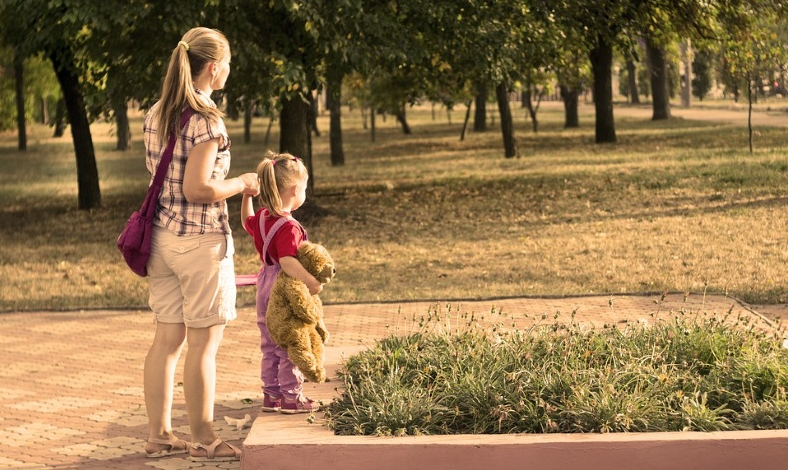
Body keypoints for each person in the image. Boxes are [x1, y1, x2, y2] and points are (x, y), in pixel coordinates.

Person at [142, 27, 259, 462]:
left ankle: (158, 435)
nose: (229, 70)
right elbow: (198, 189)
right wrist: (243, 182)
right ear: (213, 67)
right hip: (199, 244)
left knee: (166, 340)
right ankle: (206, 437)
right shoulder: (207, 121)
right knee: (203, 345)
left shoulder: (157, 112)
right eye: (227, 63)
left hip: (160, 240)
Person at [241, 151, 323, 414]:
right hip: (282, 288)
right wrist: (311, 281)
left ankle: (271, 395)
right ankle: (292, 397)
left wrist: (246, 198)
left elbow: (246, 222)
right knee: (289, 340)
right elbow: (288, 261)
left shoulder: (264, 216)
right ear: (296, 189)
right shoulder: (290, 226)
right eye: (305, 189)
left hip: (263, 281)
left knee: (269, 343)